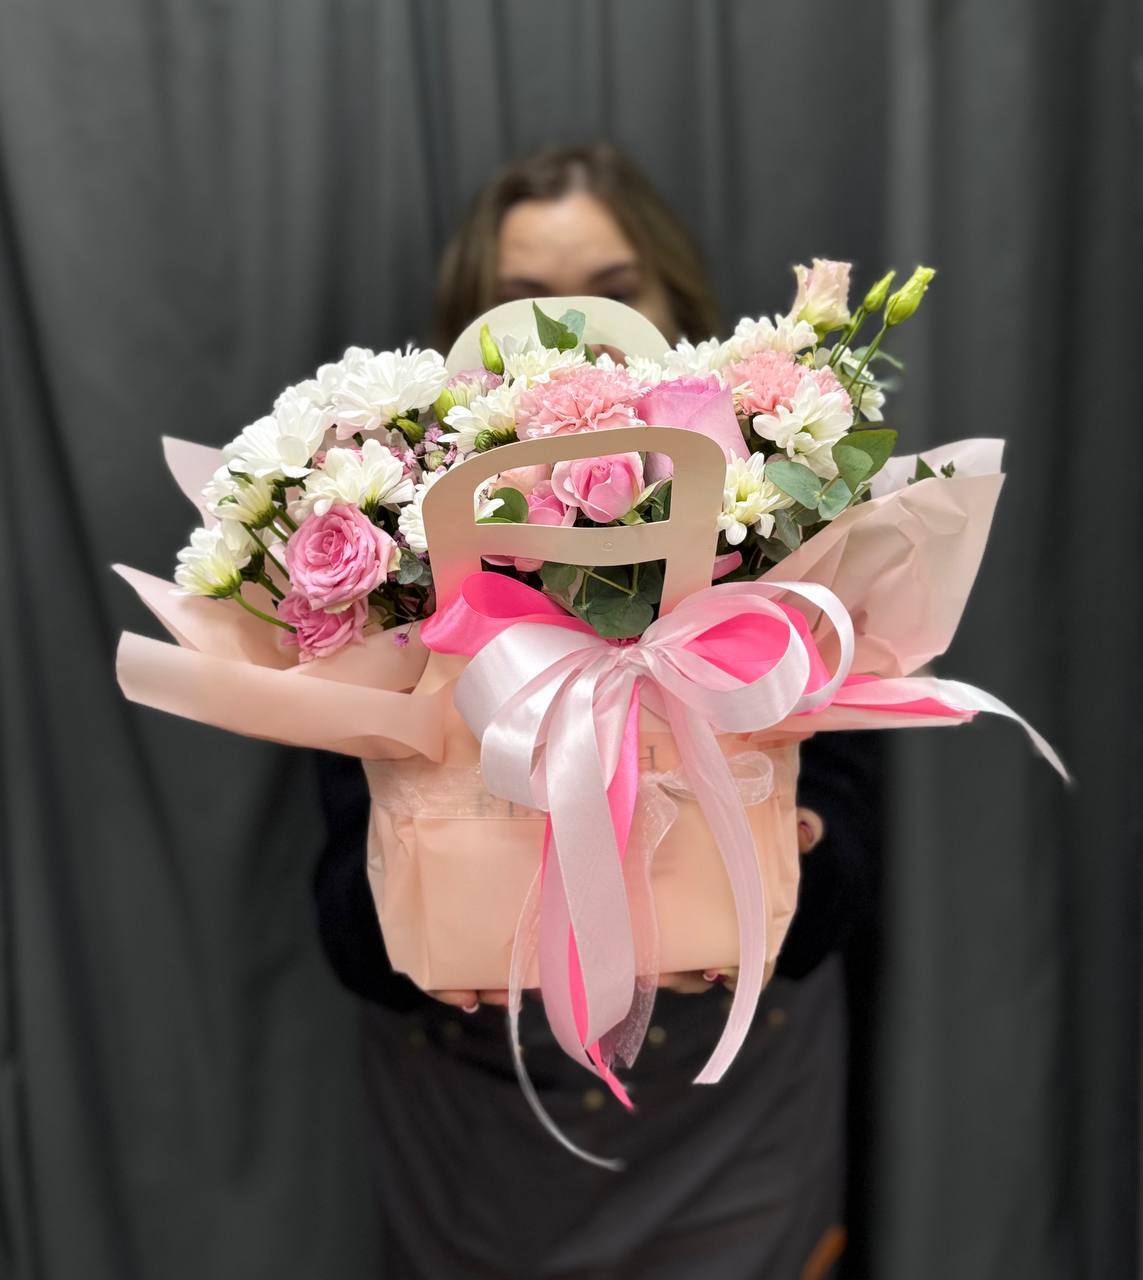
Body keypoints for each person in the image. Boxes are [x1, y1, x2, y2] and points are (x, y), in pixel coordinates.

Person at [314, 143, 882, 1280]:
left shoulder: (782, 521)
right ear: (470, 327)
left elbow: (847, 873)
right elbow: (343, 912)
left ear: (675, 307)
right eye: (523, 301)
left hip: (732, 1111)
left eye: (614, 293)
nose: (570, 334)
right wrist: (427, 910)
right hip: (480, 1128)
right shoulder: (384, 559)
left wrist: (778, 846)